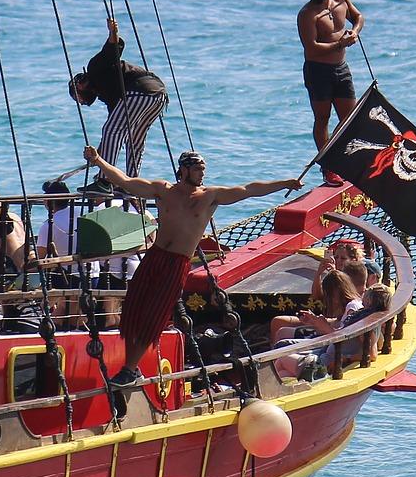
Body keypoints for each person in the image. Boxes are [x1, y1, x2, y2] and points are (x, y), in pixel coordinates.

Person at [82, 146, 302, 392]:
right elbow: (125, 181)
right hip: (155, 257)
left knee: (153, 316)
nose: (201, 174)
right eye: (197, 169)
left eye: (203, 169)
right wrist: (98, 160)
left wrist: (285, 183)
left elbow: (248, 190)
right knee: (134, 311)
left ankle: (130, 369)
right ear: (183, 169)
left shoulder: (210, 196)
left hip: (176, 264)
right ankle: (130, 368)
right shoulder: (162, 190)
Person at [69, 17, 168, 176]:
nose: (81, 103)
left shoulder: (95, 68)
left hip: (139, 91)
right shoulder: (109, 96)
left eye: (77, 98)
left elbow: (112, 49)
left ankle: (105, 180)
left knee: (111, 129)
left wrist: (113, 32)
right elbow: (115, 122)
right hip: (158, 96)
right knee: (134, 139)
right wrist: (100, 153)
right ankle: (132, 182)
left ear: (79, 85)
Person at [297, 0, 366, 178]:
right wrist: (340, 44)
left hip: (341, 68)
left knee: (349, 118)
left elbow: (358, 17)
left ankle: (336, 156)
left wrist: (354, 32)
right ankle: (328, 166)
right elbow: (311, 48)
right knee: (322, 117)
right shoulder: (307, 14)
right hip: (318, 71)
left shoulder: (341, 1)